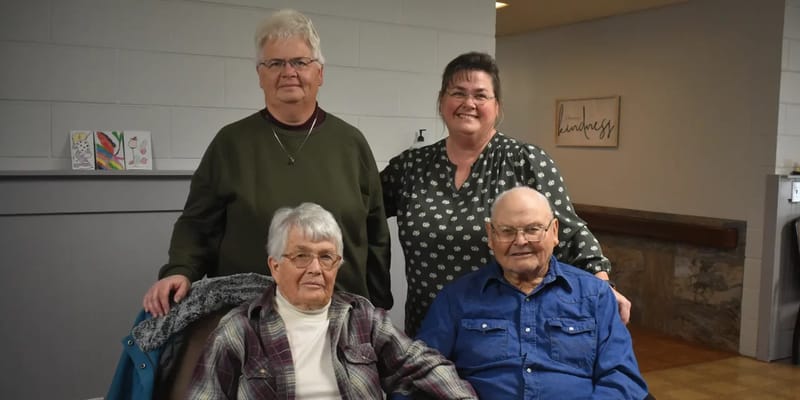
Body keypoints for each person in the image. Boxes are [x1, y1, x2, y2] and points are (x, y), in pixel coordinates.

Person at [143, 9, 392, 317]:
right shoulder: (230, 144)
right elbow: (197, 224)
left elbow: (376, 234)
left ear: (320, 73)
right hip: (248, 321)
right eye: (275, 63)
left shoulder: (352, 144)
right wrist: (180, 269)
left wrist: (379, 306)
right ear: (260, 75)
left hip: (341, 318)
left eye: (300, 62)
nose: (288, 72)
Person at [381, 51, 629, 337]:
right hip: (428, 329)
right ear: (441, 101)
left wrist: (603, 284)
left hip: (504, 334)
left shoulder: (525, 161)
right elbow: (359, 211)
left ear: (497, 106)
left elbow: (570, 233)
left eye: (481, 95)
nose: (468, 103)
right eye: (458, 93)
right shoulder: (411, 167)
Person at [188, 203, 478, 399]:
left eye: (326, 256)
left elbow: (424, 365)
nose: (315, 268)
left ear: (337, 265)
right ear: (275, 266)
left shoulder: (362, 318)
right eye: (301, 256)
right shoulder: (240, 329)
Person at [408, 187, 649, 399]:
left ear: (554, 231)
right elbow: (420, 374)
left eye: (533, 229)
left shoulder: (595, 295)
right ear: (491, 235)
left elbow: (622, 377)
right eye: (507, 231)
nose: (520, 241)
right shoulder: (456, 298)